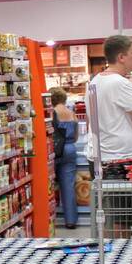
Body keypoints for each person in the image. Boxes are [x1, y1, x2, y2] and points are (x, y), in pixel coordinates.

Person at [89, 35, 132, 235]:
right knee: (122, 223)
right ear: (121, 57)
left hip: (101, 157)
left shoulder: (95, 81)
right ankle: (122, 263)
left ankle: (112, 262)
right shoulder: (120, 83)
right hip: (120, 162)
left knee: (110, 220)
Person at [50, 87, 78, 229]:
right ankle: (71, 221)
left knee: (49, 185)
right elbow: (76, 137)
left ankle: (50, 220)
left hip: (55, 151)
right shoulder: (72, 114)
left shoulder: (52, 113)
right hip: (70, 149)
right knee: (68, 186)